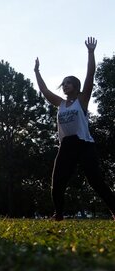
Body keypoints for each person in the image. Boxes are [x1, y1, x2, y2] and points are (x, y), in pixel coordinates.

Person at [34, 37, 115, 221]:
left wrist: (91, 52)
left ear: (76, 86)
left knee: (96, 181)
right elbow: (45, 91)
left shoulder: (82, 100)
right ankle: (59, 214)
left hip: (84, 145)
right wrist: (37, 72)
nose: (65, 85)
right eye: (63, 83)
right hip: (66, 146)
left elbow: (90, 76)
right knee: (57, 181)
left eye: (68, 82)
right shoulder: (60, 104)